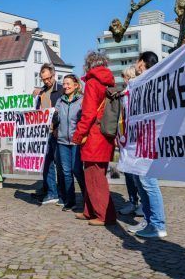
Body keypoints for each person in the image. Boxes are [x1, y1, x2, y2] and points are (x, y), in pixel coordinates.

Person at [71, 52, 118, 226]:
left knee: (95, 176)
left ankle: (105, 215)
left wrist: (78, 134)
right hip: (105, 133)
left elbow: (89, 113)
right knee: (94, 174)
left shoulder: (92, 82)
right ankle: (90, 210)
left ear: (89, 65)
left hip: (94, 136)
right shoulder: (109, 82)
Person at [127, 51, 168, 238]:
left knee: (148, 182)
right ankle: (148, 220)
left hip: (149, 140)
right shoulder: (139, 82)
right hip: (138, 140)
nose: (136, 64)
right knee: (139, 181)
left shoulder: (154, 81)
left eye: (138, 61)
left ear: (142, 62)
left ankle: (158, 224)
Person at [32, 63, 64, 205]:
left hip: (57, 132)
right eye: (43, 79)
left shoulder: (61, 90)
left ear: (53, 75)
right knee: (47, 164)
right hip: (44, 133)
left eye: (48, 78)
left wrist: (58, 126)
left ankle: (63, 194)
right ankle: (51, 192)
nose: (46, 81)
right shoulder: (41, 92)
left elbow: (64, 111)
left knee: (60, 165)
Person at [55, 74, 85, 212]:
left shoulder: (82, 100)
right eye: (64, 84)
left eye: (68, 84)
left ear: (76, 85)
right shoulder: (60, 101)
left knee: (77, 170)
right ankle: (70, 201)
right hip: (62, 141)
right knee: (66, 172)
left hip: (76, 141)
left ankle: (87, 199)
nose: (65, 86)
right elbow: (55, 118)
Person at [117, 67, 142, 216]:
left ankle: (143, 203)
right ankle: (132, 201)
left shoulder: (139, 93)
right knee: (127, 172)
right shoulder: (122, 95)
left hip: (138, 139)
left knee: (138, 173)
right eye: (124, 77)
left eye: (127, 77)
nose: (125, 80)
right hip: (125, 138)